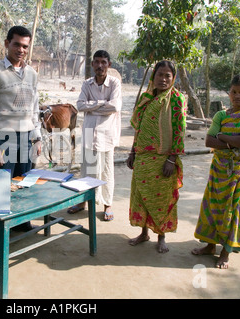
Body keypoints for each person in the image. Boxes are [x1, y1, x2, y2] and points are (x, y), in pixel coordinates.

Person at [192, 74, 240, 268]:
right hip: (219, 170)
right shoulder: (221, 115)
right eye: (233, 92)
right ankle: (209, 245)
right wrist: (233, 140)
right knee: (213, 208)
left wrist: (222, 137)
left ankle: (225, 251)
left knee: (235, 211)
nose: (237, 96)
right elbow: (209, 141)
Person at [0, 26, 41, 246]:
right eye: (16, 44)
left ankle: (21, 224)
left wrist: (37, 137)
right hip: (4, 138)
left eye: (25, 46)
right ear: (7, 43)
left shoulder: (32, 74)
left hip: (26, 137)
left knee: (24, 183)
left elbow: (34, 109)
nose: (21, 50)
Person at [126, 60, 187, 253]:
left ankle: (161, 237)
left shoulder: (177, 99)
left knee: (161, 200)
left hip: (163, 160)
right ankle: (144, 233)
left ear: (173, 78)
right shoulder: (147, 97)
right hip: (143, 158)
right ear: (154, 76)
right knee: (142, 197)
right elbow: (139, 127)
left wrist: (171, 159)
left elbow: (179, 130)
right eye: (160, 75)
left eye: (167, 75)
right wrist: (132, 151)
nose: (163, 79)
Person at [67, 50, 122, 221]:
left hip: (107, 134)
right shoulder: (87, 84)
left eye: (103, 62)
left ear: (109, 64)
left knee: (106, 171)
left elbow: (114, 107)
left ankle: (107, 205)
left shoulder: (114, 83)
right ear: (92, 64)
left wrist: (93, 106)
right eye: (97, 62)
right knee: (87, 170)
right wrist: (101, 104)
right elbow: (80, 105)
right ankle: (83, 202)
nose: (100, 66)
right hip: (90, 132)